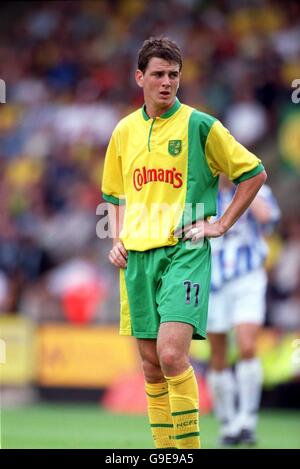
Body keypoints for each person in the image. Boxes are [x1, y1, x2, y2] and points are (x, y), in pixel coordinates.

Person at [101, 36, 267, 449]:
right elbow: (113, 195)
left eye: (173, 75)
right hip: (137, 259)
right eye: (157, 74)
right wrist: (117, 238)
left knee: (173, 356)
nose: (166, 82)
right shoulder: (123, 132)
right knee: (152, 366)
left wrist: (221, 225)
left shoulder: (201, 126)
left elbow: (254, 173)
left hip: (185, 251)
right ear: (139, 77)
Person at [207, 175, 281, 446]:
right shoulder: (203, 193)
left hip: (247, 277)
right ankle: (228, 423)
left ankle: (247, 421)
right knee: (218, 354)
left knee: (247, 346)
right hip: (213, 279)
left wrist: (245, 190)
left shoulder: (257, 188)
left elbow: (268, 220)